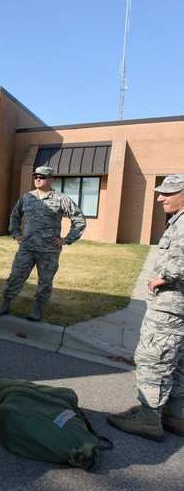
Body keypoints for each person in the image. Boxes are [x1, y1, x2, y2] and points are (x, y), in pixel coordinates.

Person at [107, 174, 184, 441]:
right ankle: (176, 416)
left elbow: (180, 262)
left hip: (169, 308)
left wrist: (165, 277)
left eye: (169, 192)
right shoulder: (178, 220)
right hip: (178, 309)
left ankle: (149, 419)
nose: (161, 197)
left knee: (155, 361)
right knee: (177, 363)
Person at [0, 166, 86, 322]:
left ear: (51, 179)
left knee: (45, 282)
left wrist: (66, 239)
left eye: (42, 176)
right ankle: (5, 305)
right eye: (35, 176)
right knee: (16, 276)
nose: (38, 179)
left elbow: (79, 220)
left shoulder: (61, 199)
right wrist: (16, 234)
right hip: (27, 248)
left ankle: (37, 309)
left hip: (49, 250)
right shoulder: (27, 197)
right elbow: (14, 216)